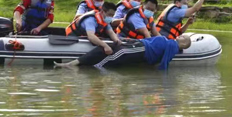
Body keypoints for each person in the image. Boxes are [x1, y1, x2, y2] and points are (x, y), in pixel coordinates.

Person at [54, 35, 192, 70]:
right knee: (105, 48)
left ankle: (93, 70)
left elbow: (165, 61)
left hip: (141, 49)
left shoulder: (173, 46)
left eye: (182, 37)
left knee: (116, 55)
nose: (179, 36)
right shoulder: (169, 41)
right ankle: (74, 63)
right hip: (138, 43)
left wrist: (160, 71)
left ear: (184, 43)